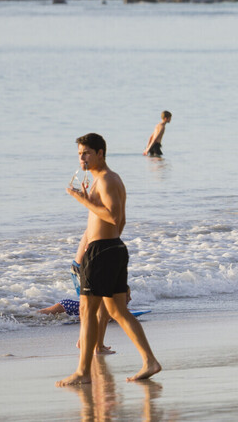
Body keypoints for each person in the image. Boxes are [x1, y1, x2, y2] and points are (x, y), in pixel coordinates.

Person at [57, 133, 161, 386]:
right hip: (111, 249)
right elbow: (119, 221)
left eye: (86, 153)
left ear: (100, 153)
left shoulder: (106, 180)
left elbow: (114, 218)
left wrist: (82, 201)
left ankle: (83, 372)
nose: (81, 158)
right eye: (79, 154)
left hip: (103, 251)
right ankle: (150, 361)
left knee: (87, 310)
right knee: (117, 310)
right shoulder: (104, 181)